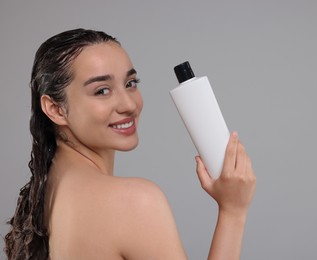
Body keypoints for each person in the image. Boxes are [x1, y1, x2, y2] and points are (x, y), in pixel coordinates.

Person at [4, 28, 256, 260]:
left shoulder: (47, 190)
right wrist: (233, 212)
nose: (129, 105)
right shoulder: (132, 201)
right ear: (56, 109)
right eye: (102, 90)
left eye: (130, 84)